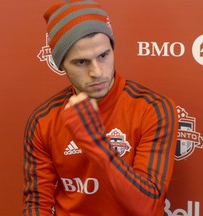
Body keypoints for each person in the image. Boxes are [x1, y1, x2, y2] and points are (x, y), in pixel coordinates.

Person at [23, 0, 178, 215]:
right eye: (81, 62)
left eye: (103, 56)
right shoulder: (43, 120)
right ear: (61, 65)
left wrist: (94, 141)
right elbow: (37, 204)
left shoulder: (153, 109)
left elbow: (147, 206)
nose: (97, 71)